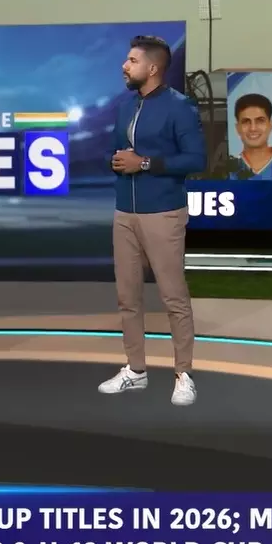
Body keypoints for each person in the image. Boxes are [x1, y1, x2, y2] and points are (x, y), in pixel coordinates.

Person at [98, 35, 207, 406]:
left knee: (173, 297)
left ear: (153, 67)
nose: (124, 66)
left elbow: (195, 159)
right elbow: (115, 152)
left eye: (132, 61)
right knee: (127, 297)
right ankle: (135, 370)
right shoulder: (125, 107)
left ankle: (183, 375)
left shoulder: (179, 107)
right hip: (124, 213)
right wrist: (116, 162)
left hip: (163, 213)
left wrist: (144, 163)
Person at [229, 93, 272, 180]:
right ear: (237, 128)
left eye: (260, 121)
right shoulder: (229, 169)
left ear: (271, 125)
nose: (253, 128)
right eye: (246, 121)